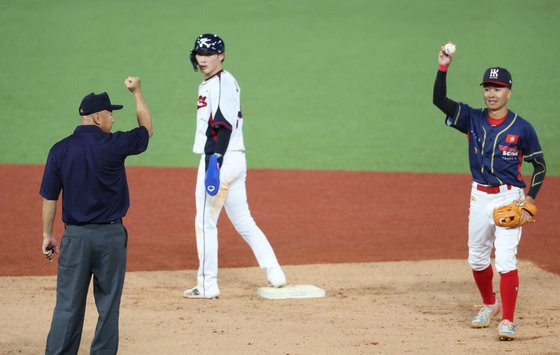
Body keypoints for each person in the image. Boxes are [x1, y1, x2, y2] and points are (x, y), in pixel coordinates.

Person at [433, 46, 546, 340]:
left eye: (498, 88)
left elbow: (540, 165)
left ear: (509, 92)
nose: (491, 93)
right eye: (487, 88)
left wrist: (530, 199)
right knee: (478, 259)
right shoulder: (472, 118)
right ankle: (489, 305)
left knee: (506, 259)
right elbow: (439, 100)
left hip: (510, 197)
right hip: (479, 196)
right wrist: (443, 67)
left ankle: (507, 320)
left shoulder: (522, 128)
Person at [40, 77, 153, 354]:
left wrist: (48, 235)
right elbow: (146, 129)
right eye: (111, 114)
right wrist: (137, 92)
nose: (113, 119)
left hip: (75, 238)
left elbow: (50, 198)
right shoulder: (114, 144)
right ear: (97, 116)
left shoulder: (60, 149)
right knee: (108, 307)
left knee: (67, 306)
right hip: (110, 239)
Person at [184, 33, 286, 299]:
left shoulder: (219, 84)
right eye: (200, 53)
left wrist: (214, 162)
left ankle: (207, 285)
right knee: (243, 220)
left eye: (209, 54)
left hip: (220, 158)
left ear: (222, 55)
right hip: (236, 159)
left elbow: (222, 125)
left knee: (205, 223)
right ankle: (275, 272)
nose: (203, 58)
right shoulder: (222, 81)